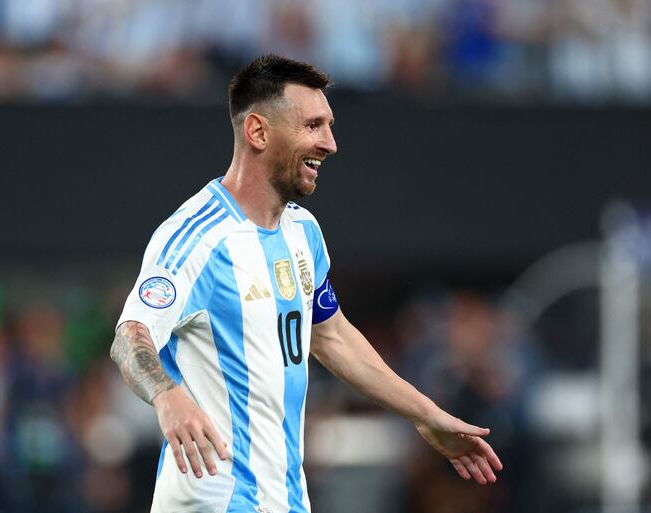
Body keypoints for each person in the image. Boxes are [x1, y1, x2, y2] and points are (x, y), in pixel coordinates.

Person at [110, 53, 502, 513]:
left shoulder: (303, 232)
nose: (330, 144)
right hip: (213, 499)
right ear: (258, 132)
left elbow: (331, 336)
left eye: (329, 126)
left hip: (285, 498)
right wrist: (167, 396)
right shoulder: (199, 237)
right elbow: (130, 335)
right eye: (313, 125)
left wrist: (426, 414)